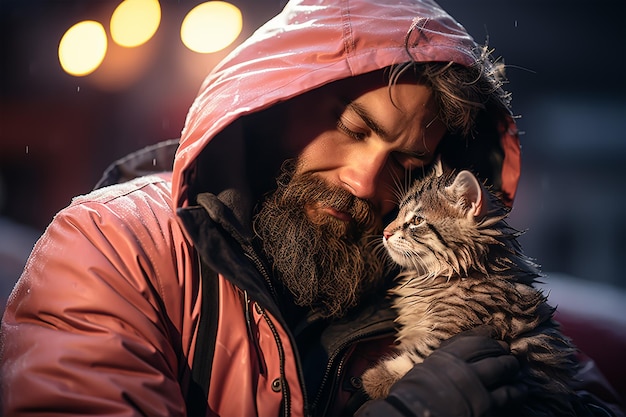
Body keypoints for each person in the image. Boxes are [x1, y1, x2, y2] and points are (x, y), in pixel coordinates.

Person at [1, 0, 623, 416]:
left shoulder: (444, 278)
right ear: (278, 100)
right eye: (353, 129)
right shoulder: (116, 247)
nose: (363, 182)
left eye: (406, 166)